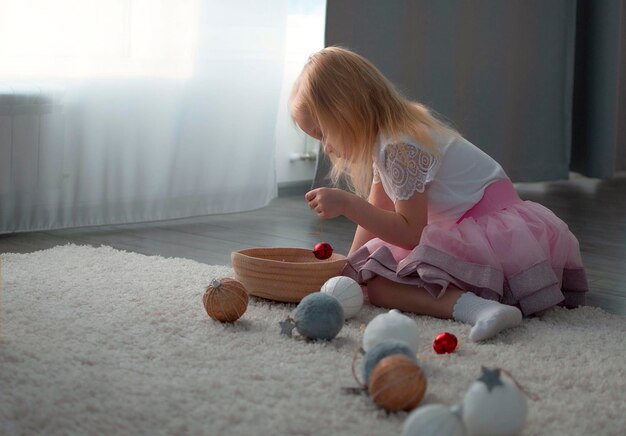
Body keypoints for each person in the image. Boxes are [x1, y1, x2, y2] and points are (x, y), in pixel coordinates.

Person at [290, 47, 588, 342]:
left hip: (497, 239)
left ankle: (480, 309)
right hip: (486, 227)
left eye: (322, 133)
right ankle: (480, 304)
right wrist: (347, 270)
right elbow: (376, 211)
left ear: (345, 110)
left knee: (381, 285)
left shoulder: (398, 146)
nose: (326, 147)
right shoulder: (391, 135)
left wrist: (345, 203)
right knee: (374, 268)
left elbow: (410, 233)